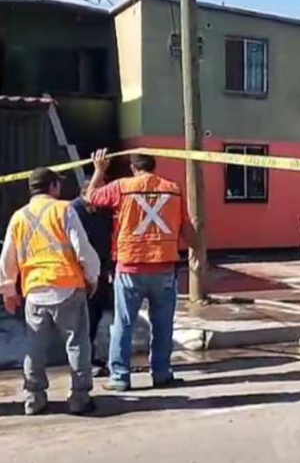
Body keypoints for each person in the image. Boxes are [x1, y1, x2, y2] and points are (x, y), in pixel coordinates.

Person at [86, 149, 198, 391]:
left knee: (123, 324)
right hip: (164, 267)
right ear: (153, 166)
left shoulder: (122, 186)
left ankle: (120, 378)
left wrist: (99, 170)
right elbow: (187, 230)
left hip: (130, 268)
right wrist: (196, 250)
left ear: (134, 169)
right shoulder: (173, 189)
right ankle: (161, 374)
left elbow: (91, 197)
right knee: (163, 324)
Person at [0, 168, 101, 416]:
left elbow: (8, 257)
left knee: (35, 347)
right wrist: (92, 275)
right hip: (67, 286)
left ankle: (34, 398)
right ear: (53, 186)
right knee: (77, 343)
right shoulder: (64, 209)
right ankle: (79, 398)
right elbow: (82, 248)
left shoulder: (18, 217)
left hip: (34, 290)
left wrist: (9, 289)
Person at [71, 176, 115, 378]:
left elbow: (108, 239)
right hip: (78, 273)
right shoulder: (72, 211)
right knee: (82, 319)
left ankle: (89, 355)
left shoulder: (104, 212)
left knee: (95, 316)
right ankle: (84, 361)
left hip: (101, 272)